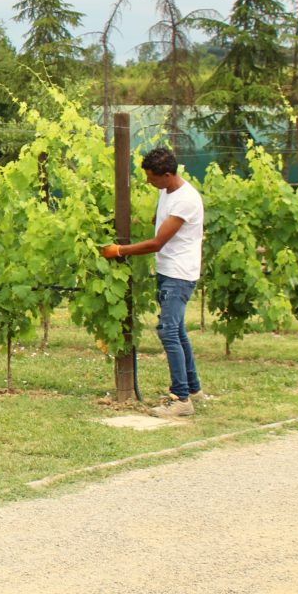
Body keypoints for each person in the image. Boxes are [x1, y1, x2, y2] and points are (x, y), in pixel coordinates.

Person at [100, 146, 205, 418]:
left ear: (168, 174)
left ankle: (181, 399)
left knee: (168, 331)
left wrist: (120, 251)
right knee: (177, 330)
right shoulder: (166, 191)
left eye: (152, 178)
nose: (148, 182)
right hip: (170, 270)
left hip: (179, 274)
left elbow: (159, 242)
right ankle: (193, 389)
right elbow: (158, 221)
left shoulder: (186, 200)